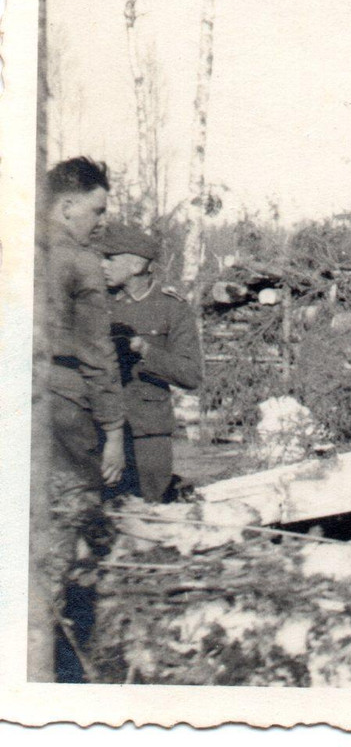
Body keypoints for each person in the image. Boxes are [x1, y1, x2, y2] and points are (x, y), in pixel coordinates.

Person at [42, 156, 126, 679]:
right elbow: (97, 353)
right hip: (64, 407)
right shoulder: (80, 260)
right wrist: (114, 432)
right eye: (96, 211)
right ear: (69, 206)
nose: (100, 223)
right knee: (66, 530)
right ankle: (57, 666)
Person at [100, 223, 204, 503]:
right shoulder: (100, 305)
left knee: (149, 513)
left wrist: (146, 351)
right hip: (103, 427)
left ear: (135, 265)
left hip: (149, 435)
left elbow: (191, 375)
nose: (103, 265)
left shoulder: (172, 308)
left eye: (110, 258)